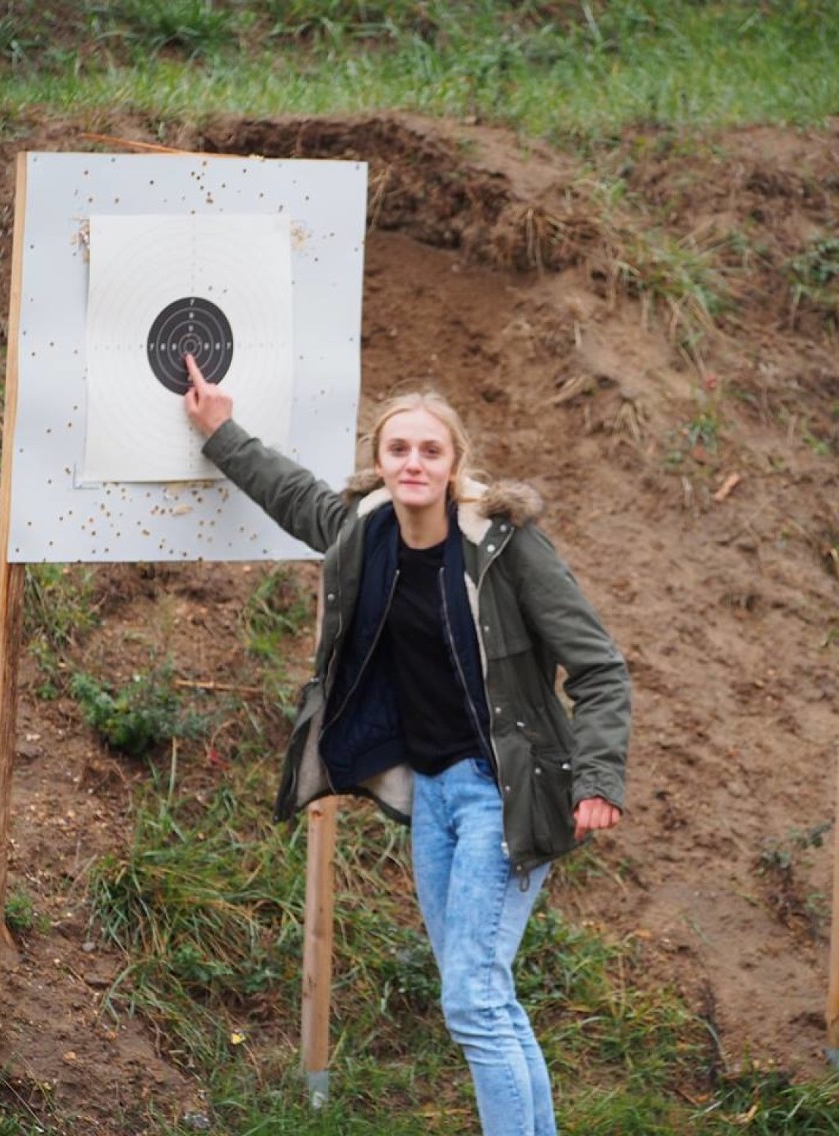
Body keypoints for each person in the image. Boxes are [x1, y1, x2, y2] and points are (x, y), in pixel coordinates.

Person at [183, 354, 631, 1136]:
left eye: (431, 450)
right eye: (398, 450)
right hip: (435, 795)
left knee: (472, 1000)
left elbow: (599, 667)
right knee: (487, 995)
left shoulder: (504, 547)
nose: (413, 463)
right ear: (380, 462)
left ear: (456, 462)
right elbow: (294, 497)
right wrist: (222, 431)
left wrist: (597, 780)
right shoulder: (366, 532)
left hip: (507, 793)